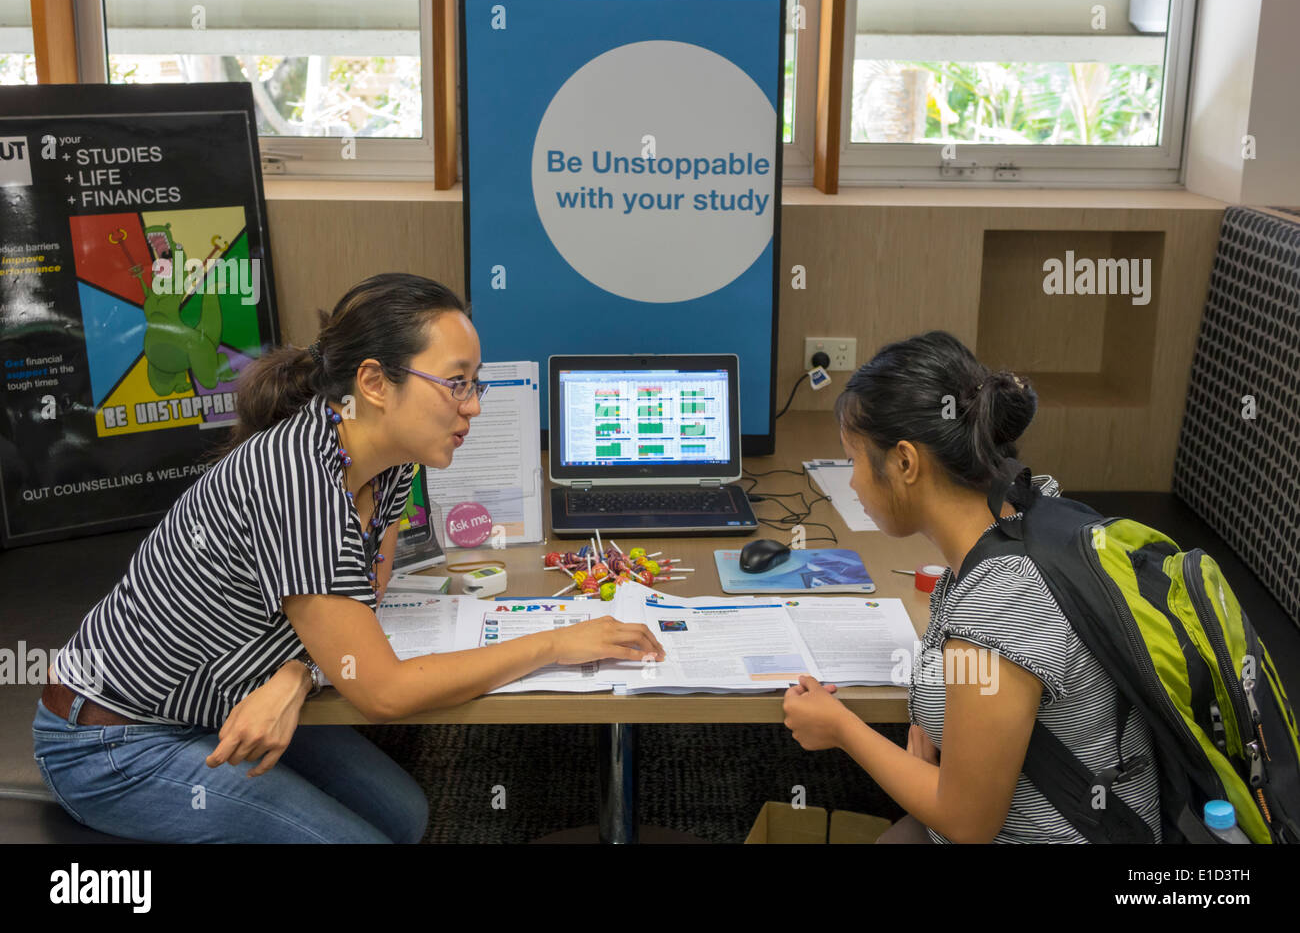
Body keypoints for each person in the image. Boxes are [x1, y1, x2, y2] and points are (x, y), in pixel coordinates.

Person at [32, 273, 664, 843]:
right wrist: (555, 642)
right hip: (114, 739)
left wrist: (296, 673)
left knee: (404, 815)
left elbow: (370, 586)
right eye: (456, 384)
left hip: (218, 705)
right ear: (372, 383)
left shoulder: (384, 460)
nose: (473, 406)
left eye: (477, 384)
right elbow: (383, 693)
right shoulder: (300, 481)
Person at [781, 331, 1161, 843]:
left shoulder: (1000, 603)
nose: (850, 482)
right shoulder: (1029, 512)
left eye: (854, 459)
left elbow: (967, 823)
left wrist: (842, 729)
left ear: (905, 463)